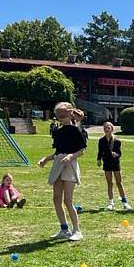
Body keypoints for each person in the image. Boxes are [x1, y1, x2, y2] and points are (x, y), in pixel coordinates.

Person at [38, 102, 87, 241]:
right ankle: (64, 229)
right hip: (59, 164)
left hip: (70, 165)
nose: (61, 116)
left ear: (71, 113)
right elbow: (58, 152)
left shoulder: (76, 130)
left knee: (68, 200)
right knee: (56, 198)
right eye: (59, 114)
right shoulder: (58, 131)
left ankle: (77, 230)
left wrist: (71, 156)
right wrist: (46, 159)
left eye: (64, 113)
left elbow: (81, 151)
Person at [97, 121, 130, 210]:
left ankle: (124, 202)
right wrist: (99, 159)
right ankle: (111, 202)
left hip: (115, 163)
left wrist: (116, 154)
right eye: (105, 128)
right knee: (109, 183)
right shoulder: (101, 140)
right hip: (106, 163)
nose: (106, 129)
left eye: (108, 128)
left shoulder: (117, 141)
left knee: (119, 182)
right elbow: (100, 151)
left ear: (112, 129)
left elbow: (119, 153)